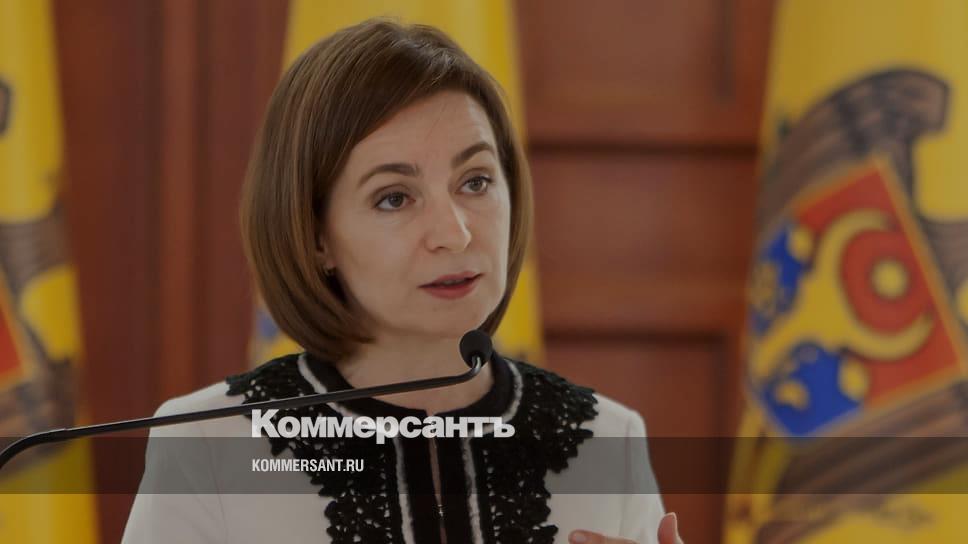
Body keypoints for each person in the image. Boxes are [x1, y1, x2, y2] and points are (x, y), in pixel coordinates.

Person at [123, 18, 682, 544]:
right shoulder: (206, 446)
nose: (455, 234)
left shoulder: (611, 438)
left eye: (476, 181)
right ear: (316, 237)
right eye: (394, 198)